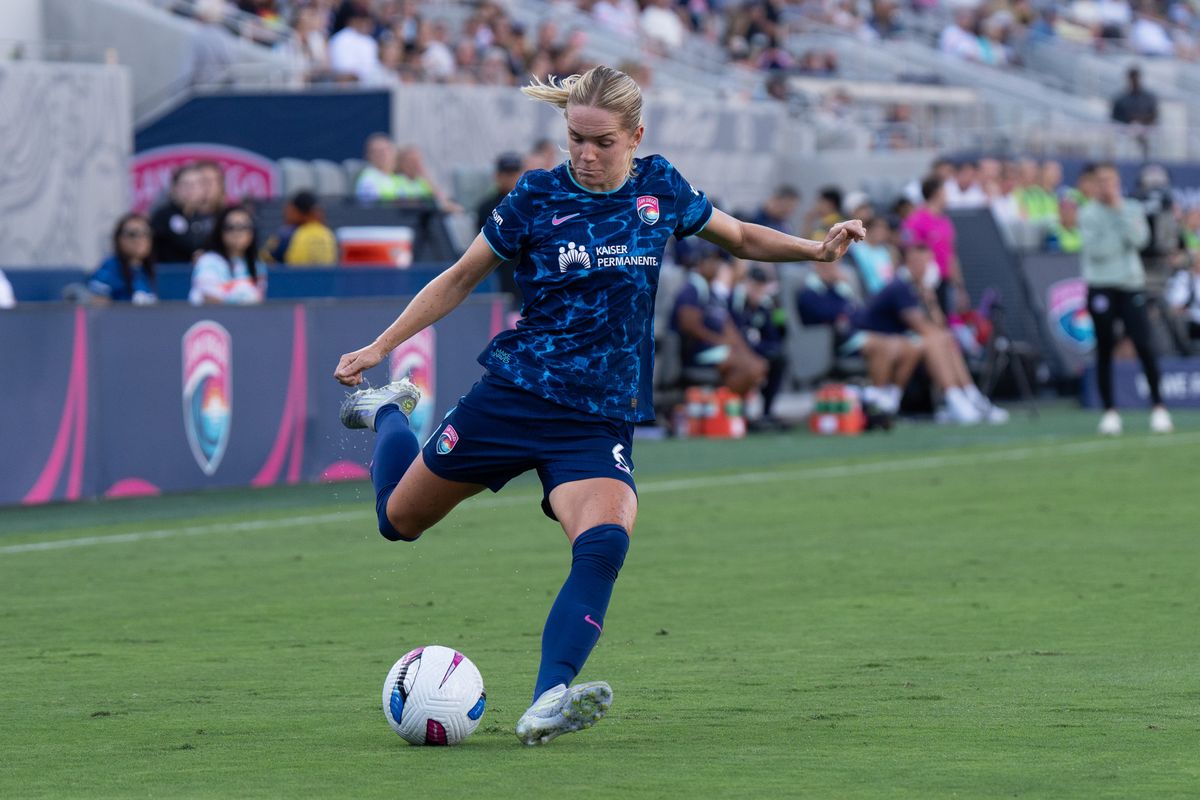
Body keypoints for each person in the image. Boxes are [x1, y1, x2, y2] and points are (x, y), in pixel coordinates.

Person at [331, 65, 864, 747]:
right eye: (574, 139)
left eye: (601, 142)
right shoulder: (534, 197)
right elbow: (461, 277)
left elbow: (739, 236)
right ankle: (388, 410)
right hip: (515, 396)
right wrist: (383, 345)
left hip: (596, 418)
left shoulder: (661, 188)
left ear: (636, 136)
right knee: (397, 521)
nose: (584, 154)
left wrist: (814, 249)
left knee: (605, 542)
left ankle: (548, 697)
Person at [856, 245, 1008, 424]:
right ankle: (955, 399)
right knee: (936, 339)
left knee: (944, 338)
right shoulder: (900, 286)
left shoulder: (919, 288)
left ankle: (970, 396)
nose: (923, 267)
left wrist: (931, 300)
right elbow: (921, 327)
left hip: (903, 343)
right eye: (918, 262)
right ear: (908, 264)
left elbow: (939, 325)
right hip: (875, 340)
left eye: (926, 262)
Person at [1079, 163, 1172, 435]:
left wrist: (1119, 213)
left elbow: (1140, 239)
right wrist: (1120, 236)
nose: (1107, 186)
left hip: (1130, 285)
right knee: (1105, 347)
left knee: (1144, 344)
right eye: (1102, 181)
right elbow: (1097, 250)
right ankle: (1109, 411)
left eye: (1111, 180)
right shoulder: (1088, 212)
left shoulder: (1130, 207)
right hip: (1102, 285)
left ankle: (1158, 406)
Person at [797, 258, 923, 425]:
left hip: (857, 335)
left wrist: (846, 309)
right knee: (882, 346)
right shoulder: (809, 292)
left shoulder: (841, 289)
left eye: (835, 265)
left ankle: (890, 399)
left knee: (911, 347)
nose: (834, 269)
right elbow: (829, 315)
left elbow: (857, 313)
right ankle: (877, 401)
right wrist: (845, 313)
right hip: (835, 342)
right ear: (818, 267)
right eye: (828, 265)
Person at [671, 243, 768, 395]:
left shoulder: (712, 291)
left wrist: (746, 353)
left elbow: (727, 325)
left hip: (715, 347)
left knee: (757, 366)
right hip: (696, 352)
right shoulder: (692, 288)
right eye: (711, 261)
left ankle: (728, 411)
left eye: (717, 262)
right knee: (743, 366)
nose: (716, 266)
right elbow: (689, 326)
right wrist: (718, 340)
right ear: (700, 262)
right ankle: (723, 409)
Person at [730, 264, 789, 427]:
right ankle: (741, 411)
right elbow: (734, 332)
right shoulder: (735, 302)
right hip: (738, 351)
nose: (757, 290)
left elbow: (777, 335)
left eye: (760, 286)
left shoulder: (766, 305)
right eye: (754, 285)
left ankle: (767, 411)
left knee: (779, 359)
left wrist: (777, 309)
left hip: (758, 349)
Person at [902, 175, 968, 314]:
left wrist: (959, 286)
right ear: (937, 193)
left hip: (945, 283)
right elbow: (911, 252)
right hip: (925, 285)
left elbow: (951, 254)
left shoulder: (945, 221)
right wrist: (922, 284)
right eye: (945, 191)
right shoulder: (916, 220)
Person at [189, 205, 267, 305]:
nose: (237, 233)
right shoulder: (208, 261)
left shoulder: (257, 265)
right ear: (220, 232)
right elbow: (209, 298)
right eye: (230, 227)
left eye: (243, 227)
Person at [476, 152, 527, 306]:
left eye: (515, 173)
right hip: (501, 269)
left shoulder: (531, 204)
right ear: (497, 176)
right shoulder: (486, 207)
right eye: (507, 173)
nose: (511, 178)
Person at [88, 213, 158, 305]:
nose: (140, 239)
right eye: (132, 234)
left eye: (146, 233)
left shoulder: (147, 272)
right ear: (119, 239)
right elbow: (96, 310)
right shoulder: (110, 268)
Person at [150, 164, 209, 263]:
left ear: (203, 190)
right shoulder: (162, 217)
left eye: (195, 184)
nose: (191, 189)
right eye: (185, 184)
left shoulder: (209, 219)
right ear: (174, 188)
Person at [263, 190, 338, 266]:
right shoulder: (329, 234)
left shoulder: (287, 235)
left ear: (297, 212)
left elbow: (265, 262)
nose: (286, 214)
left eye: (290, 210)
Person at [356, 133, 401, 200]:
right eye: (377, 152)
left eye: (386, 150)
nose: (383, 155)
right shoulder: (368, 180)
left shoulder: (396, 178)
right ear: (369, 156)